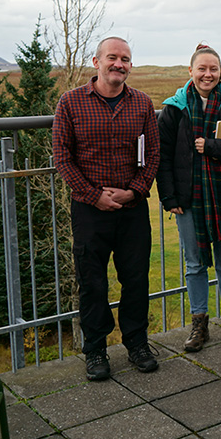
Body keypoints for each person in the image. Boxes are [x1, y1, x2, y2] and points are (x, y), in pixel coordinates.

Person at [52, 36, 160, 381]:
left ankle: (137, 343)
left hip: (132, 209)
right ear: (96, 61)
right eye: (112, 57)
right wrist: (93, 195)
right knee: (93, 283)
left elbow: (153, 155)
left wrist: (134, 192)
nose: (119, 64)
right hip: (89, 210)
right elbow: (62, 157)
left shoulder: (142, 104)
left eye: (125, 59)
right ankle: (96, 350)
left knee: (135, 279)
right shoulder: (69, 103)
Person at [157, 44, 221, 353]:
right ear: (190, 72)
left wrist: (213, 146)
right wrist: (168, 197)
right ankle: (199, 324)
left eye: (213, 69)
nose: (207, 74)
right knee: (194, 263)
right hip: (189, 197)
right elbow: (162, 157)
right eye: (201, 68)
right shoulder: (174, 110)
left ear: (220, 72)